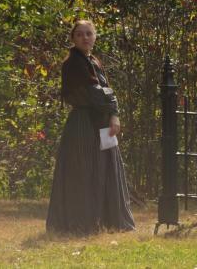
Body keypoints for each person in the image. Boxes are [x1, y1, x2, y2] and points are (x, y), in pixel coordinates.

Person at [46, 20, 135, 234]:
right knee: (83, 170)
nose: (85, 37)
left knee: (108, 168)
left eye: (89, 33)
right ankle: (80, 222)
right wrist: (114, 112)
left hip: (101, 120)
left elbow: (106, 92)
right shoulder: (73, 63)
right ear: (73, 38)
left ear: (95, 37)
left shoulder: (94, 61)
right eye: (79, 34)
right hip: (83, 124)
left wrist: (113, 113)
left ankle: (109, 221)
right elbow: (96, 93)